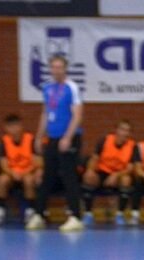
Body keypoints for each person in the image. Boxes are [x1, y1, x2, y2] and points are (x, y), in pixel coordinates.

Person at [30, 54, 84, 232]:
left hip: (69, 138)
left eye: (60, 67)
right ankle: (39, 214)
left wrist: (67, 137)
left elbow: (77, 115)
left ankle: (75, 216)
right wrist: (39, 136)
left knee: (69, 176)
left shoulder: (72, 87)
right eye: (53, 67)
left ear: (65, 69)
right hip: (52, 138)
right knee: (47, 176)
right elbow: (45, 113)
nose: (56, 70)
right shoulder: (47, 88)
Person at [81, 119, 136, 226]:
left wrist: (116, 175)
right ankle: (88, 214)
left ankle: (120, 214)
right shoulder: (104, 140)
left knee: (126, 179)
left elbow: (130, 168)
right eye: (122, 129)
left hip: (118, 174)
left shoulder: (132, 146)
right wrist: (90, 170)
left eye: (127, 130)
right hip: (102, 172)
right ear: (116, 130)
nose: (124, 133)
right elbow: (94, 159)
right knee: (88, 176)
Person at [0, 114, 41, 225]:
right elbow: (3, 164)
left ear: (21, 126)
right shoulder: (4, 141)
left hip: (28, 171)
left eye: (16, 126)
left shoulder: (30, 139)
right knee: (2, 180)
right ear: (6, 128)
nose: (14, 129)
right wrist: (12, 173)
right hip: (11, 172)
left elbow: (38, 162)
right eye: (10, 127)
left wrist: (24, 172)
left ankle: (30, 211)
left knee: (29, 180)